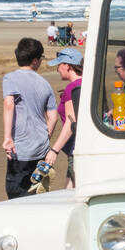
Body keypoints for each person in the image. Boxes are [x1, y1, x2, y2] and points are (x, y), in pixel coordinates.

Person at [2, 37, 58, 199]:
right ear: (35, 61)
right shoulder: (45, 83)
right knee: (36, 194)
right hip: (40, 147)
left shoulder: (10, 78)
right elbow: (53, 117)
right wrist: (45, 137)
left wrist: (7, 138)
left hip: (20, 148)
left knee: (16, 194)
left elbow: (9, 104)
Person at [44, 47, 83, 188]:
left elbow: (70, 123)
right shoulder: (88, 84)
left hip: (75, 150)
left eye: (59, 65)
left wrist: (54, 151)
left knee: (73, 193)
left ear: (67, 65)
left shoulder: (72, 88)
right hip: (80, 148)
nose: (57, 69)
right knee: (69, 190)